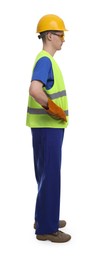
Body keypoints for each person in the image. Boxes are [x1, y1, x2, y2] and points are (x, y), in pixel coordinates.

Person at [26, 14, 71, 243]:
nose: (64, 39)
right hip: (48, 128)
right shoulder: (45, 60)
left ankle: (45, 217)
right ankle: (47, 229)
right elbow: (35, 89)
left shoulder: (46, 60)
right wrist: (52, 108)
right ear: (50, 35)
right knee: (50, 175)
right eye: (61, 34)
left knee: (45, 175)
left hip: (45, 128)